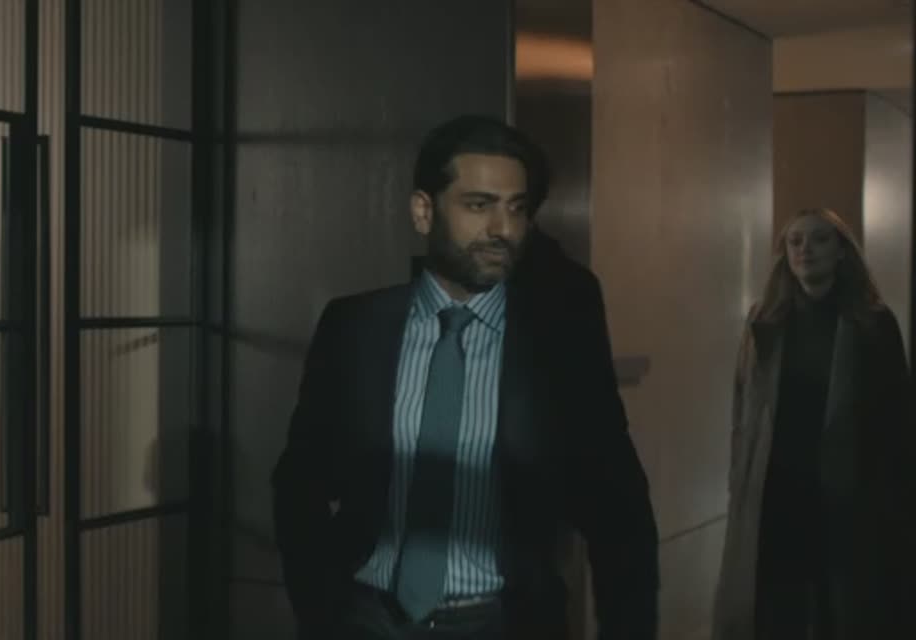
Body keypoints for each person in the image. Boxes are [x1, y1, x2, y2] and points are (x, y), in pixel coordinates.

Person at [270, 114, 659, 640]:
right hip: (364, 620)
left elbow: (618, 507)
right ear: (424, 211)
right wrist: (320, 610)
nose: (502, 230)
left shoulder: (554, 344)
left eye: (516, 208)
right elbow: (300, 481)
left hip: (503, 624)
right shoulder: (356, 327)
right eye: (479, 205)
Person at [712, 208, 916, 640]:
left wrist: (894, 494)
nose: (806, 250)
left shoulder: (871, 323)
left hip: (846, 487)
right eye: (796, 241)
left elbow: (897, 418)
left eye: (820, 239)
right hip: (777, 483)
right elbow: (742, 408)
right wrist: (740, 478)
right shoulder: (764, 320)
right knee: (775, 603)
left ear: (842, 251)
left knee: (841, 606)